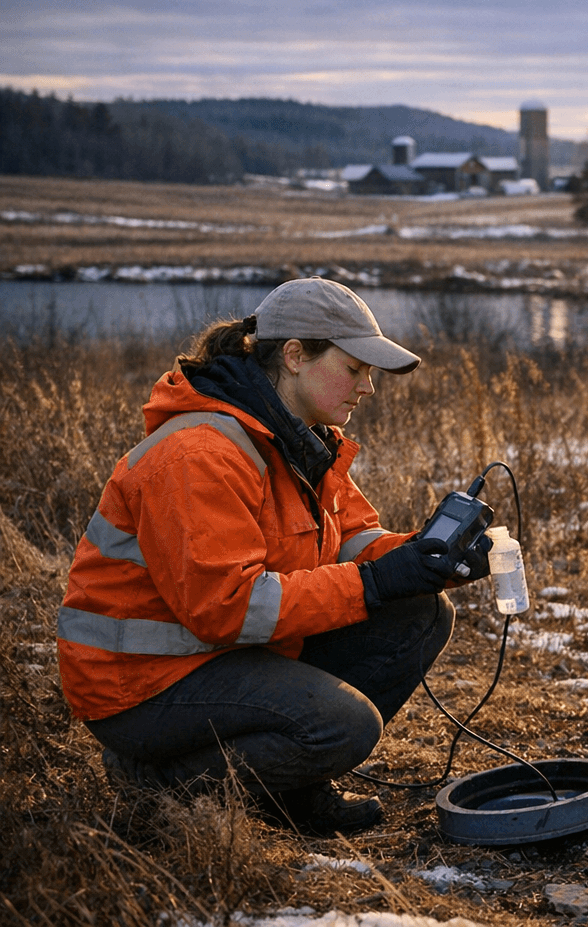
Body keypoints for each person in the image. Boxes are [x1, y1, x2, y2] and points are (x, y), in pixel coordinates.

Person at [57, 277, 490, 835]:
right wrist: (377, 582)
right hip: (139, 687)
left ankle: (288, 791)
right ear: (293, 356)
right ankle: (157, 786)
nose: (369, 387)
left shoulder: (300, 441)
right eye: (355, 368)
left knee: (423, 611)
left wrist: (426, 557)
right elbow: (226, 608)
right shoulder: (199, 453)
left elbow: (353, 542)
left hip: (214, 658)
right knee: (344, 726)